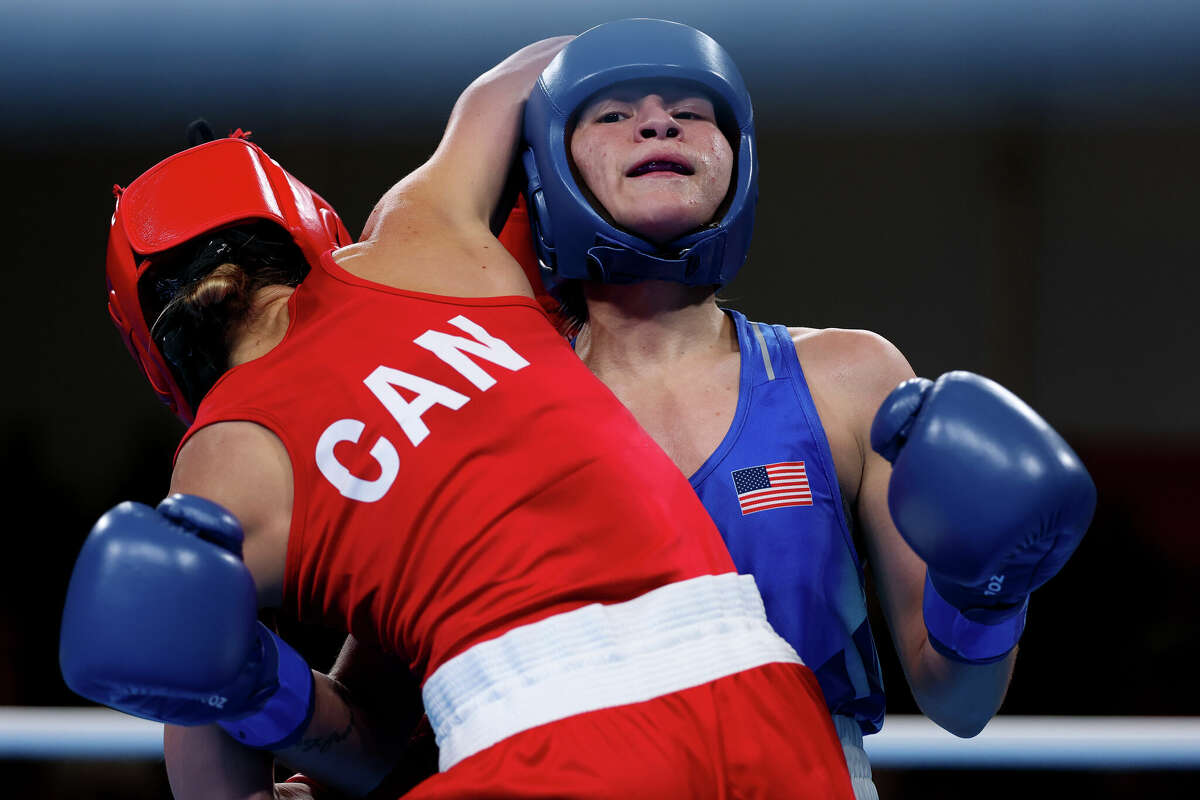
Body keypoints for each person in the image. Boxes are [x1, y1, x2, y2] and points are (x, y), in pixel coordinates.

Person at [59, 38, 857, 799]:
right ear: (308, 229)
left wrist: (266, 694)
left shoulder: (222, 466)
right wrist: (655, 87)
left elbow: (236, 763)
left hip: (541, 741)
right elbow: (531, 71)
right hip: (767, 703)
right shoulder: (421, 237)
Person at [518, 19, 1097, 800]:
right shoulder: (497, 397)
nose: (658, 121)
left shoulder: (849, 379)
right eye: (613, 114)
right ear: (552, 164)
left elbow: (959, 706)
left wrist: (985, 597)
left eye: (691, 112)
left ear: (737, 158)